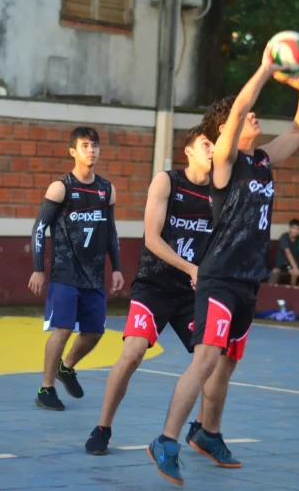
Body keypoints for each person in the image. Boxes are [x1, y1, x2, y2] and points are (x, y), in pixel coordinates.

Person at [147, 50, 299, 485]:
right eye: (249, 117)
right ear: (227, 132)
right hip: (218, 277)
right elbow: (238, 109)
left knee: (226, 364)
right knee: (204, 361)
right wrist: (265, 68)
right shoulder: (226, 163)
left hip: (248, 280)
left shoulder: (262, 160)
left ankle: (208, 433)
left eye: (259, 115)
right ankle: (166, 440)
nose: (255, 118)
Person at [84, 124, 214, 455]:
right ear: (189, 150)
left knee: (212, 358)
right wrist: (190, 267)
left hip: (191, 293)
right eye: (206, 143)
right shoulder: (167, 181)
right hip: (154, 286)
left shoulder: (221, 193)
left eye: (217, 144)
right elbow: (152, 239)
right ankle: (103, 427)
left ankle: (201, 429)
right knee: (132, 353)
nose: (213, 150)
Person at [29, 126, 124, 412]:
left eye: (95, 145)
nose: (91, 150)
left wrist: (117, 267)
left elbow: (111, 232)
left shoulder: (106, 189)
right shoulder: (61, 187)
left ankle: (67, 367)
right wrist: (38, 268)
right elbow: (39, 227)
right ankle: (46, 388)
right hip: (65, 272)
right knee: (63, 329)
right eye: (85, 146)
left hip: (93, 274)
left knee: (95, 331)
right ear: (73, 151)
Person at [269, 218, 299, 288]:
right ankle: (292, 292)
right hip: (284, 264)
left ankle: (298, 291)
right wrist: (295, 268)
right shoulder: (284, 237)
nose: (296, 231)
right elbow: (288, 253)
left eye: (298, 229)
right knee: (295, 273)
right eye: (294, 228)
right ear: (290, 228)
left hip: (296, 264)